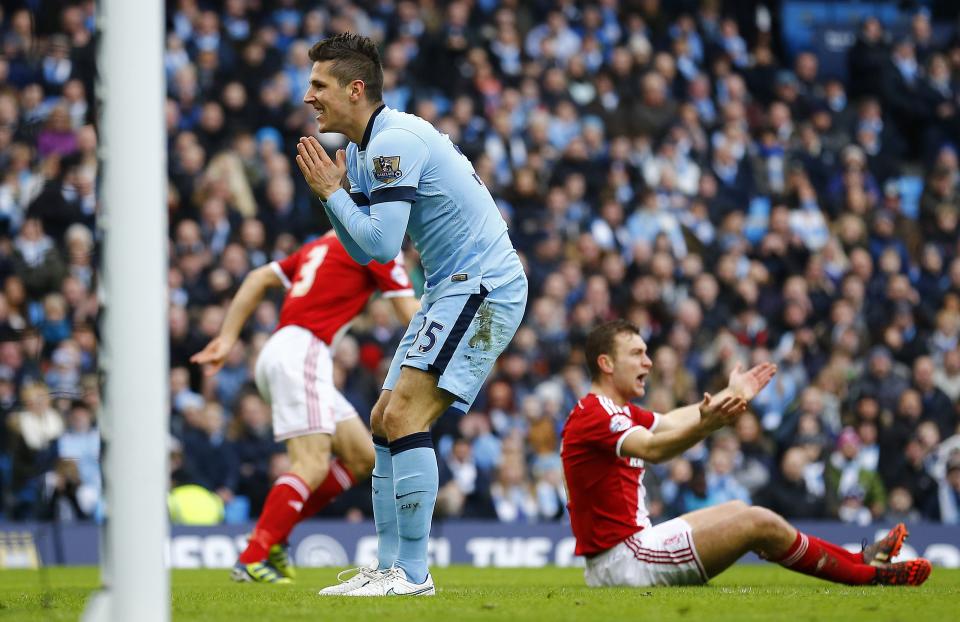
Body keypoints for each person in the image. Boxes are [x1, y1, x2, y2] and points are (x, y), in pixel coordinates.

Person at [295, 32, 527, 596]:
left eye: (319, 85)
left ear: (355, 90)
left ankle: (413, 573)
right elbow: (363, 251)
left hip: (483, 286)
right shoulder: (363, 150)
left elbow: (381, 244)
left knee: (405, 419)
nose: (309, 97)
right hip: (452, 288)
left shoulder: (392, 145)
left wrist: (333, 194)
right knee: (382, 419)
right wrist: (335, 197)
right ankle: (388, 566)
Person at [561, 320, 932, 589]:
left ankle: (858, 559)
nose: (649, 362)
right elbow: (655, 449)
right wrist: (708, 426)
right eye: (637, 354)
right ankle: (868, 576)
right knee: (758, 523)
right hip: (626, 562)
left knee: (739, 509)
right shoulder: (597, 415)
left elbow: (673, 420)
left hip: (630, 548)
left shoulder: (614, 411)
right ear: (606, 363)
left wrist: (730, 394)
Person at [191, 231, 418, 583]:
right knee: (311, 464)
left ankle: (277, 535)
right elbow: (410, 315)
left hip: (284, 348)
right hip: (305, 352)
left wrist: (227, 337)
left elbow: (258, 277)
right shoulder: (378, 243)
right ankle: (253, 556)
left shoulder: (322, 243)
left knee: (361, 456)